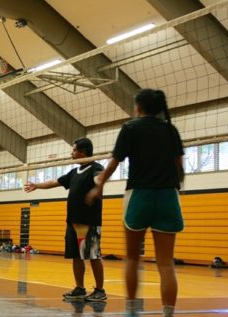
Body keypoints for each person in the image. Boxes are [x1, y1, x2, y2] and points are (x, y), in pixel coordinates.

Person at [86, 89, 184, 317]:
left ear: (138, 107)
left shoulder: (131, 128)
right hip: (168, 196)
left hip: (139, 196)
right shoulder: (171, 130)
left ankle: (131, 312)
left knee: (132, 257)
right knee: (166, 263)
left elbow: (114, 162)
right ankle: (168, 314)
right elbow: (179, 166)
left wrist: (99, 182)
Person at [24, 138, 107, 302]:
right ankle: (79, 288)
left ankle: (100, 290)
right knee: (76, 256)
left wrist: (97, 187)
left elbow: (100, 179)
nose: (72, 153)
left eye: (74, 150)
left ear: (83, 152)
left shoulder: (96, 168)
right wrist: (37, 185)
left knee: (93, 255)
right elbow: (55, 181)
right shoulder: (74, 173)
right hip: (73, 223)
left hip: (88, 222)